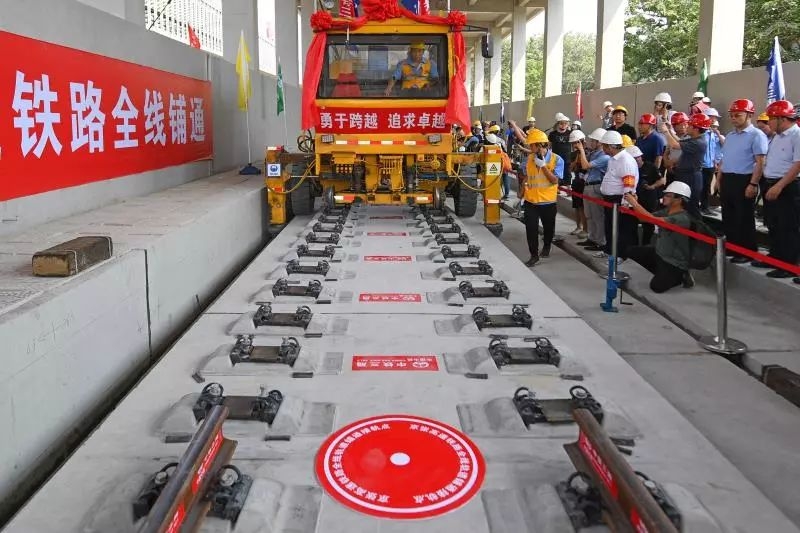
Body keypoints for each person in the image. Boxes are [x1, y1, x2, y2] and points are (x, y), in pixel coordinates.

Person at [753, 100, 800, 278]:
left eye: (771, 119)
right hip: (771, 183)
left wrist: (779, 186)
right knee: (773, 224)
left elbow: (797, 165)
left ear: (782, 118)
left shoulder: (796, 135)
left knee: (788, 227)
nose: (769, 123)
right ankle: (775, 257)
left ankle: (788, 265)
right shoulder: (777, 136)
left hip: (787, 186)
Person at [717, 99, 768, 264]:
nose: (733, 118)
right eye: (732, 115)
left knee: (743, 217)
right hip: (728, 178)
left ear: (749, 115)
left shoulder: (757, 135)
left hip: (744, 180)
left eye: (737, 115)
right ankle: (732, 248)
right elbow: (724, 159)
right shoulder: (730, 136)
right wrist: (719, 179)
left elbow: (760, 162)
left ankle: (747, 251)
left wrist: (753, 184)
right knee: (729, 215)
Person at [509, 123, 564, 266]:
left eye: (532, 145)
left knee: (548, 229)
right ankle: (534, 255)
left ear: (540, 145)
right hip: (531, 201)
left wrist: (543, 166)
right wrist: (521, 194)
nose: (530, 147)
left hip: (548, 202)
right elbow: (528, 177)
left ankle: (547, 246)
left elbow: (555, 180)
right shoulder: (530, 158)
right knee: (531, 229)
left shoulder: (557, 160)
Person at [624, 182, 695, 292]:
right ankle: (662, 272)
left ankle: (681, 276)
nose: (664, 197)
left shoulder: (682, 219)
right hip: (660, 253)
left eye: (668, 195)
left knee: (657, 287)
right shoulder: (667, 211)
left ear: (679, 200)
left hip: (674, 262)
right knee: (630, 251)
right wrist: (635, 203)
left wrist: (634, 203)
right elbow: (643, 218)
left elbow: (650, 219)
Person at [595, 130, 639, 260]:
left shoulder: (625, 160)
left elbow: (629, 183)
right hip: (610, 199)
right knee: (609, 226)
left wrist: (626, 203)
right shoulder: (613, 159)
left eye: (604, 146)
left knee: (621, 229)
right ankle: (609, 250)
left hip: (620, 200)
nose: (603, 148)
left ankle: (621, 254)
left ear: (611, 146)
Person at [660, 113, 708, 213]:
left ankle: (694, 223)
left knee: (690, 206)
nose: (686, 126)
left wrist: (665, 132)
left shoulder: (698, 142)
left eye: (689, 125)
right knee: (681, 205)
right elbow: (679, 141)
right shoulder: (695, 139)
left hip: (691, 177)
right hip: (684, 175)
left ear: (696, 129)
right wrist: (670, 130)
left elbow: (675, 145)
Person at [574, 128, 610, 251]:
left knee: (597, 216)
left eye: (593, 140)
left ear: (600, 142)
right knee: (589, 215)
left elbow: (585, 166)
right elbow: (581, 163)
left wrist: (582, 150)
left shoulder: (604, 157)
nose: (591, 143)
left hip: (596, 186)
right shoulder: (594, 154)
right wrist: (582, 151)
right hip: (588, 185)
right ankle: (592, 237)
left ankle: (600, 241)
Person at [628, 144, 661, 245]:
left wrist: (652, 186)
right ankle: (633, 246)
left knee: (648, 224)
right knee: (632, 223)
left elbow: (661, 180)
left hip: (649, 199)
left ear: (641, 156)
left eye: (637, 157)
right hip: (635, 199)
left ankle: (646, 245)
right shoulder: (629, 168)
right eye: (633, 158)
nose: (636, 160)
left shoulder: (650, 167)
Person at [700, 109, 724, 213]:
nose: (714, 120)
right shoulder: (701, 132)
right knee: (698, 187)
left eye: (715, 118)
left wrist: (714, 162)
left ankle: (705, 207)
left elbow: (713, 149)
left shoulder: (712, 134)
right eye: (713, 117)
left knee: (706, 187)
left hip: (710, 165)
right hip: (700, 165)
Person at [568, 129, 588, 238]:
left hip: (585, 182)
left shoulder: (588, 152)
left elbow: (587, 167)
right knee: (577, 206)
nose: (575, 145)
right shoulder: (573, 154)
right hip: (577, 181)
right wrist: (577, 158)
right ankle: (578, 226)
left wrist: (582, 152)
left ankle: (585, 229)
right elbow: (571, 168)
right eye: (573, 143)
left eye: (576, 142)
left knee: (583, 207)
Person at [549, 113, 572, 185]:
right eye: (561, 123)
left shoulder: (570, 133)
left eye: (565, 123)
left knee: (567, 173)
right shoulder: (552, 134)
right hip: (556, 157)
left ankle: (568, 186)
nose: (563, 125)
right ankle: (557, 186)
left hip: (567, 158)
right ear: (558, 124)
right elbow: (549, 146)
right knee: (556, 172)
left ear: (568, 124)